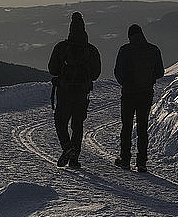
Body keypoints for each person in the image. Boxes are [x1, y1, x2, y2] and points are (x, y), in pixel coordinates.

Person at [48, 12, 101, 168]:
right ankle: (74, 159)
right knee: (77, 126)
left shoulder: (62, 47)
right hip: (82, 94)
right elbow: (96, 74)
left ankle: (67, 148)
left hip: (64, 92)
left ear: (70, 29)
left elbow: (52, 69)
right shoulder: (91, 50)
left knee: (60, 122)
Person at [113, 24, 164, 173]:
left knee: (127, 126)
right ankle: (141, 162)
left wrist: (126, 83)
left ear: (130, 36)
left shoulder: (125, 50)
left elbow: (118, 72)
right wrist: (149, 79)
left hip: (129, 94)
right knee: (142, 127)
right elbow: (160, 72)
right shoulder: (153, 50)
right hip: (146, 93)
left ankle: (125, 160)